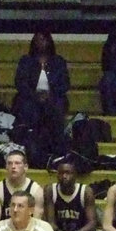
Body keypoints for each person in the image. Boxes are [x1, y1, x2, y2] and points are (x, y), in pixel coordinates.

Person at [11, 31, 70, 160]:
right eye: (37, 40)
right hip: (30, 97)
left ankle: (56, 143)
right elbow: (20, 83)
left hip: (53, 97)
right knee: (27, 106)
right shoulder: (25, 61)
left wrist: (50, 95)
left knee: (57, 105)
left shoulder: (58, 61)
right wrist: (35, 96)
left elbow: (64, 84)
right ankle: (30, 138)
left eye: (43, 39)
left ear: (49, 42)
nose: (40, 43)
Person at [0, 148, 43, 224]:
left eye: (17, 163)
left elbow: (37, 223)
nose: (13, 166)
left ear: (26, 167)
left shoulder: (36, 191)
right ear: (6, 167)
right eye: (10, 163)